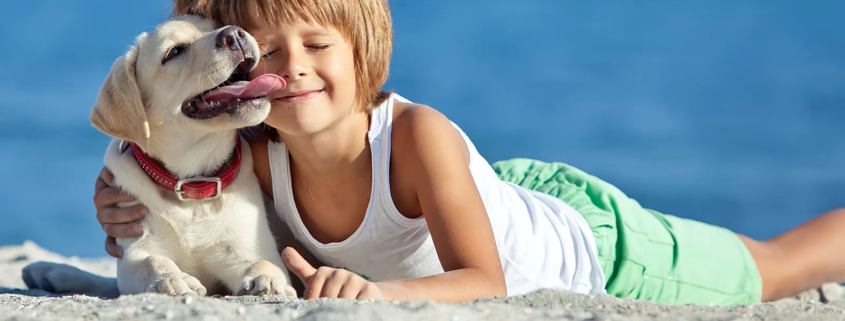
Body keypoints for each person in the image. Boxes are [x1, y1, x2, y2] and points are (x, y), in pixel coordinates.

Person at [92, 0, 845, 306]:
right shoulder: (253, 148)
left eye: (318, 46)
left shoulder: (416, 135)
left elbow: (485, 280)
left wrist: (376, 295)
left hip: (593, 246)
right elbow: (173, 175)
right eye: (273, 53)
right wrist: (114, 207)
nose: (292, 68)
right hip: (493, 192)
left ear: (363, 56)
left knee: (777, 266)